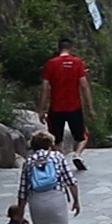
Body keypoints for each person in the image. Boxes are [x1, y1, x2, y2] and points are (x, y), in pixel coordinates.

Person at [39, 36, 93, 171]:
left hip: (56, 108)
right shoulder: (78, 63)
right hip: (74, 107)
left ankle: (60, 162)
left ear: (58, 48)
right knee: (82, 136)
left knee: (56, 140)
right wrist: (90, 107)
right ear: (71, 48)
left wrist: (41, 109)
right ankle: (77, 155)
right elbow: (84, 86)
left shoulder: (51, 64)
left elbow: (45, 88)